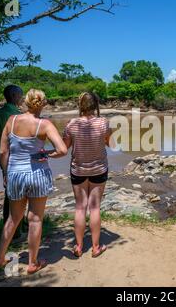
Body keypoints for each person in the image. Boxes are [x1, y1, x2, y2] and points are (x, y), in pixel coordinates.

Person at [0, 89, 67, 274]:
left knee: (13, 218)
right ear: (43, 104)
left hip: (15, 175)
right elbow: (63, 150)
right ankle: (32, 263)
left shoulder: (11, 120)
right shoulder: (45, 124)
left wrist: (5, 172)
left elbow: (3, 152)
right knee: (35, 220)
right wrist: (45, 153)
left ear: (25, 102)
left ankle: (0, 259)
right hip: (37, 176)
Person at [63, 92, 112, 258]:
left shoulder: (71, 124)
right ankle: (96, 247)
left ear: (80, 105)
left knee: (80, 207)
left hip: (78, 170)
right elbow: (109, 142)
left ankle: (78, 246)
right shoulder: (103, 123)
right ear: (96, 105)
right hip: (99, 169)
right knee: (95, 207)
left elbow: (65, 147)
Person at [0, 85, 24, 237]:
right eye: (20, 95)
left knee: (9, 193)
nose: (22, 98)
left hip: (3, 157)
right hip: (19, 157)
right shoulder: (18, 115)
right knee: (21, 195)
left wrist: (4, 170)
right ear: (13, 95)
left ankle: (9, 229)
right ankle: (17, 231)